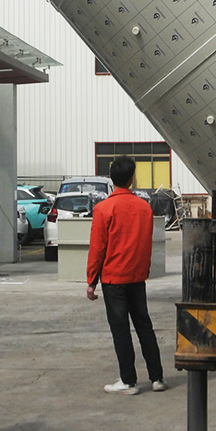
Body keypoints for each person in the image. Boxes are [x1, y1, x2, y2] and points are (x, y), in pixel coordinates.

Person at [86, 155, 167, 395]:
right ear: (132, 179)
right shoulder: (144, 208)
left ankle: (128, 381)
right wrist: (144, 270)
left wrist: (91, 281)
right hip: (137, 277)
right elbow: (146, 243)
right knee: (144, 326)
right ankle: (157, 377)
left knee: (121, 329)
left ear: (111, 178)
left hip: (114, 279)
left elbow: (98, 248)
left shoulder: (103, 209)